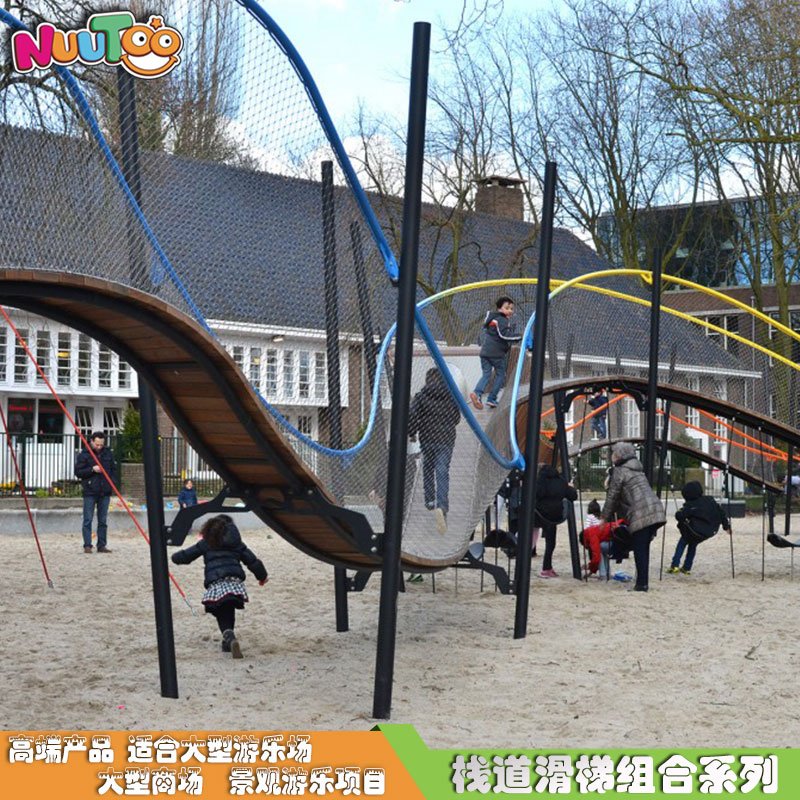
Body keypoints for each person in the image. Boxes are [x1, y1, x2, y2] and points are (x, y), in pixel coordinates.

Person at [171, 514, 268, 658]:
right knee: (228, 607)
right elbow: (252, 561)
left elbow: (186, 556)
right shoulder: (237, 543)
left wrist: (174, 558)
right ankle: (228, 639)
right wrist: (262, 576)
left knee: (220, 609)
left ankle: (228, 636)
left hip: (216, 583)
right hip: (234, 582)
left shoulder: (206, 543)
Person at [601, 441, 666, 592]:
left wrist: (604, 517)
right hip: (655, 510)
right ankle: (642, 581)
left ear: (619, 455)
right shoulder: (637, 469)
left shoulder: (620, 471)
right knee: (643, 547)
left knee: (639, 549)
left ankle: (642, 584)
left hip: (640, 513)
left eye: (613, 453)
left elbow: (612, 496)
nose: (611, 456)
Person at [408, 367, 461, 534]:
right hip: (445, 439)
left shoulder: (421, 396)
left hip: (427, 438)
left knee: (428, 468)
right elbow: (456, 418)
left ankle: (430, 500)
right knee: (442, 471)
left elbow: (413, 415)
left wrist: (412, 432)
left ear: (427, 379)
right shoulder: (451, 395)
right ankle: (442, 506)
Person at [667, 481, 731, 575]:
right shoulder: (710, 500)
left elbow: (680, 516)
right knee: (693, 544)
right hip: (710, 531)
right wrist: (726, 527)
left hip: (695, 531)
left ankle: (674, 566)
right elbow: (721, 513)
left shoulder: (690, 505)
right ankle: (686, 568)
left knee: (682, 543)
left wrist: (678, 512)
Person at [469, 296, 521, 410]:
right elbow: (504, 335)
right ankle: (492, 398)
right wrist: (519, 336)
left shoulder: (492, 319)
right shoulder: (502, 319)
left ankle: (477, 393)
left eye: (512, 309)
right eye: (507, 308)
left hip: (485, 352)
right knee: (501, 375)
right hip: (496, 354)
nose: (510, 311)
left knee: (486, 375)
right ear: (499, 309)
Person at [74, 430, 117, 554]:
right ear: (92, 442)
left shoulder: (108, 453)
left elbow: (114, 470)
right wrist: (92, 469)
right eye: (97, 444)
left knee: (103, 520)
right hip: (90, 491)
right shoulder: (84, 454)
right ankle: (87, 545)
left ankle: (102, 545)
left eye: (101, 445)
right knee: (88, 519)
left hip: (105, 492)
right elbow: (78, 472)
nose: (99, 447)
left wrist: (112, 483)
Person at [535, 463, 578, 578]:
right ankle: (546, 568)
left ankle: (527, 561)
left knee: (530, 536)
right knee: (550, 542)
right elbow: (573, 496)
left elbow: (536, 494)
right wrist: (570, 487)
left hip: (538, 514)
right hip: (553, 515)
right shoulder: (561, 481)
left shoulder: (539, 481)